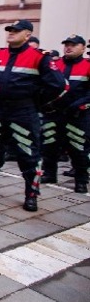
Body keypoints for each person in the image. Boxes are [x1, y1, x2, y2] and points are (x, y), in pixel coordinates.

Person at [0, 20, 67, 211]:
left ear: (27, 35)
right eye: (9, 30)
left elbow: (59, 85)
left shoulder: (39, 57)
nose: (11, 33)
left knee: (28, 154)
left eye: (16, 31)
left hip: (23, 111)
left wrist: (39, 102)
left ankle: (31, 194)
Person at [41, 35, 89, 193]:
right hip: (54, 114)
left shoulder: (87, 66)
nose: (69, 47)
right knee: (49, 146)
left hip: (77, 116)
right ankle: (49, 174)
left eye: (73, 45)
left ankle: (81, 180)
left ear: (83, 48)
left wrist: (78, 105)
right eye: (67, 45)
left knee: (78, 149)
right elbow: (45, 85)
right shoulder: (55, 64)